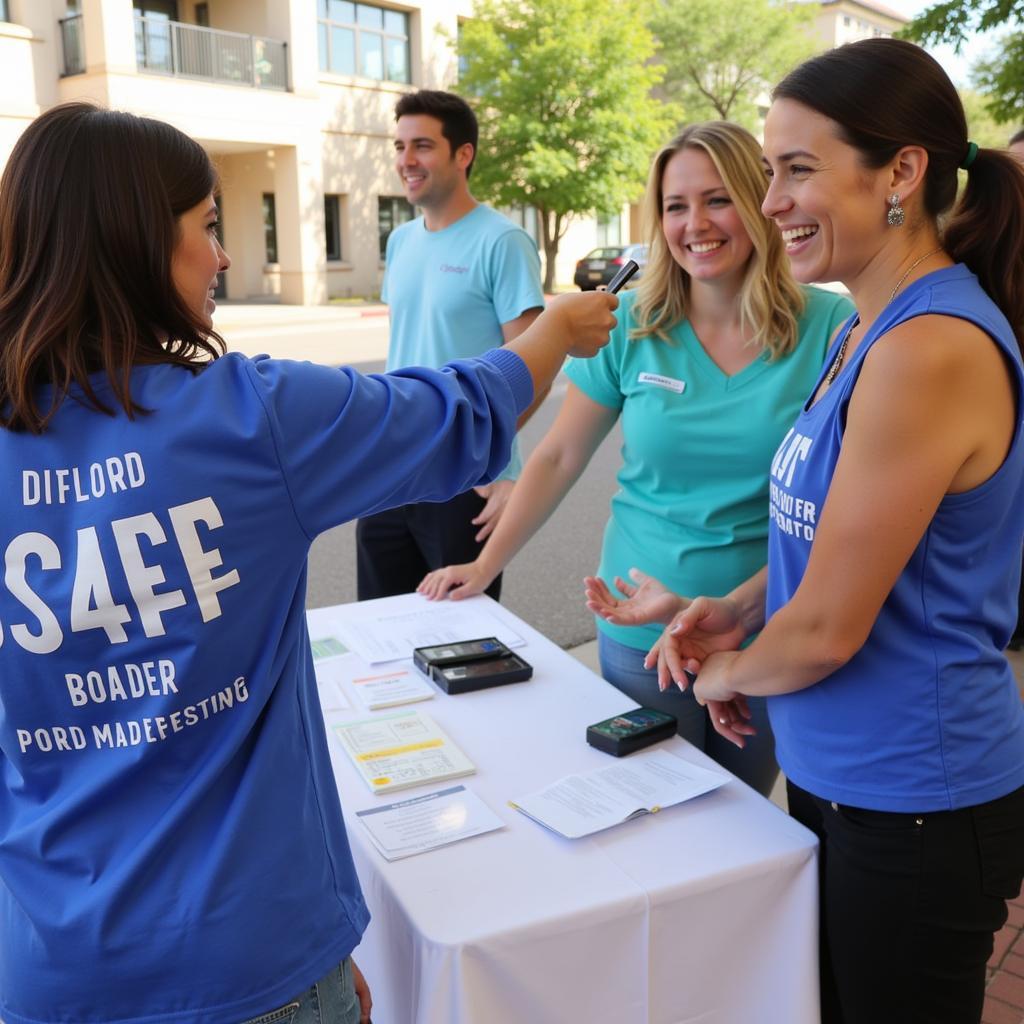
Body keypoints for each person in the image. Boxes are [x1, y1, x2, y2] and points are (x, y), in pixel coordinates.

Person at [0, 102, 617, 1024]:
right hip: (247, 948)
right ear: (135, 242)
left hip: (52, 962)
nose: (223, 258)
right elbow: (458, 411)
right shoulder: (246, 420)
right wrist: (555, 336)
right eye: (206, 228)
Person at [588, 37, 1024, 1024]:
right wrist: (730, 611)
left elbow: (827, 626)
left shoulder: (926, 346)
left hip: (916, 794)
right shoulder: (865, 325)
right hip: (846, 776)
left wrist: (721, 674)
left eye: (795, 170)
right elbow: (827, 543)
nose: (769, 199)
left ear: (901, 172)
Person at [418, 121, 853, 796]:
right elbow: (560, 454)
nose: (695, 224)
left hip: (765, 626)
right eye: (676, 207)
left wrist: (752, 613)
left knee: (742, 820)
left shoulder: (830, 329)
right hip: (637, 624)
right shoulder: (629, 323)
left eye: (716, 200)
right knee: (654, 813)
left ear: (757, 201)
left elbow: (842, 504)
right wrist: (485, 564)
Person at [356, 89, 545, 603]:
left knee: (457, 638)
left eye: (421, 146)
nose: (405, 161)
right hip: (390, 466)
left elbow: (535, 365)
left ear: (463, 154)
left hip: (465, 471)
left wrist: (502, 466)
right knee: (379, 626)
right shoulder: (400, 242)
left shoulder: (501, 242)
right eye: (399, 147)